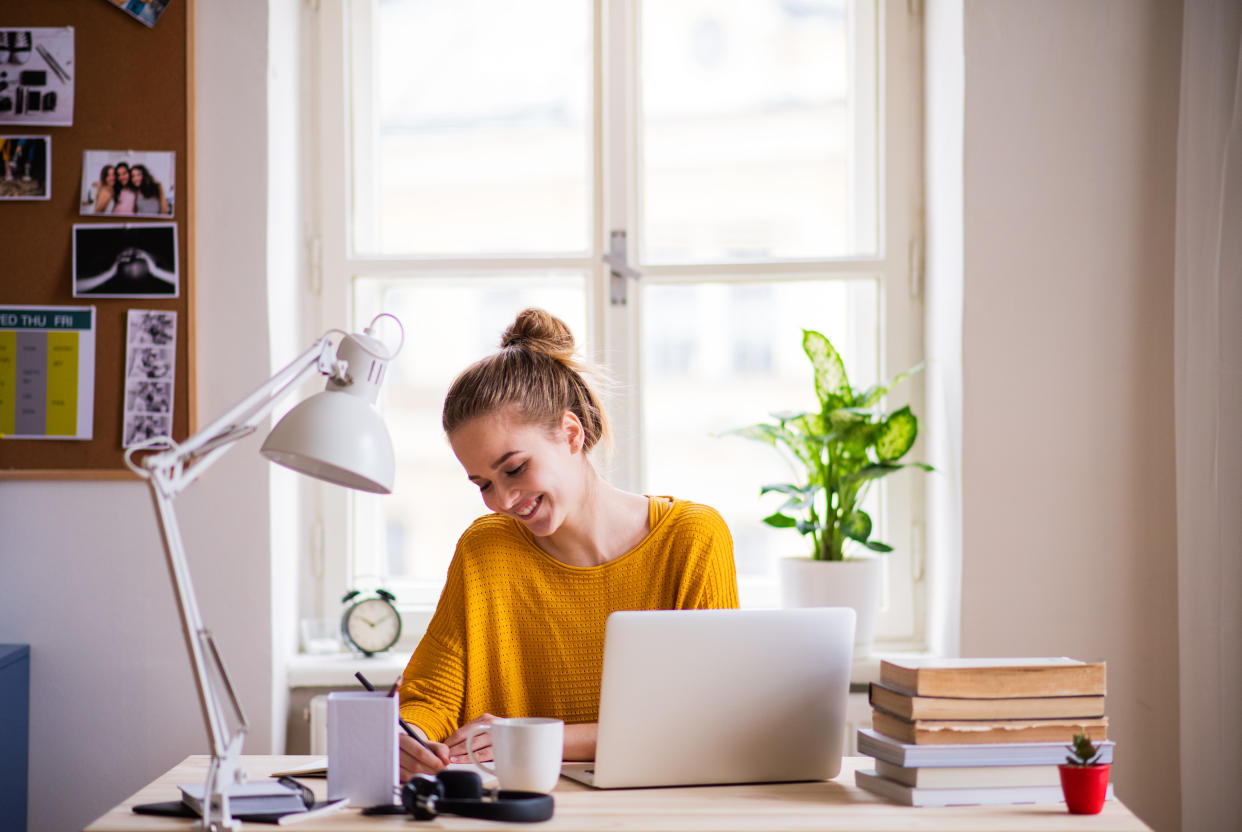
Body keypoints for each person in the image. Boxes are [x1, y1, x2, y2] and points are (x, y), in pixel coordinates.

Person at [397, 308, 739, 780]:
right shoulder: (485, 549)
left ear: (571, 434)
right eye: (483, 484)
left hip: (659, 810)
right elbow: (432, 696)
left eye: (514, 468)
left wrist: (528, 737)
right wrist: (408, 738)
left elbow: (708, 718)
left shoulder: (692, 538)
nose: (503, 500)